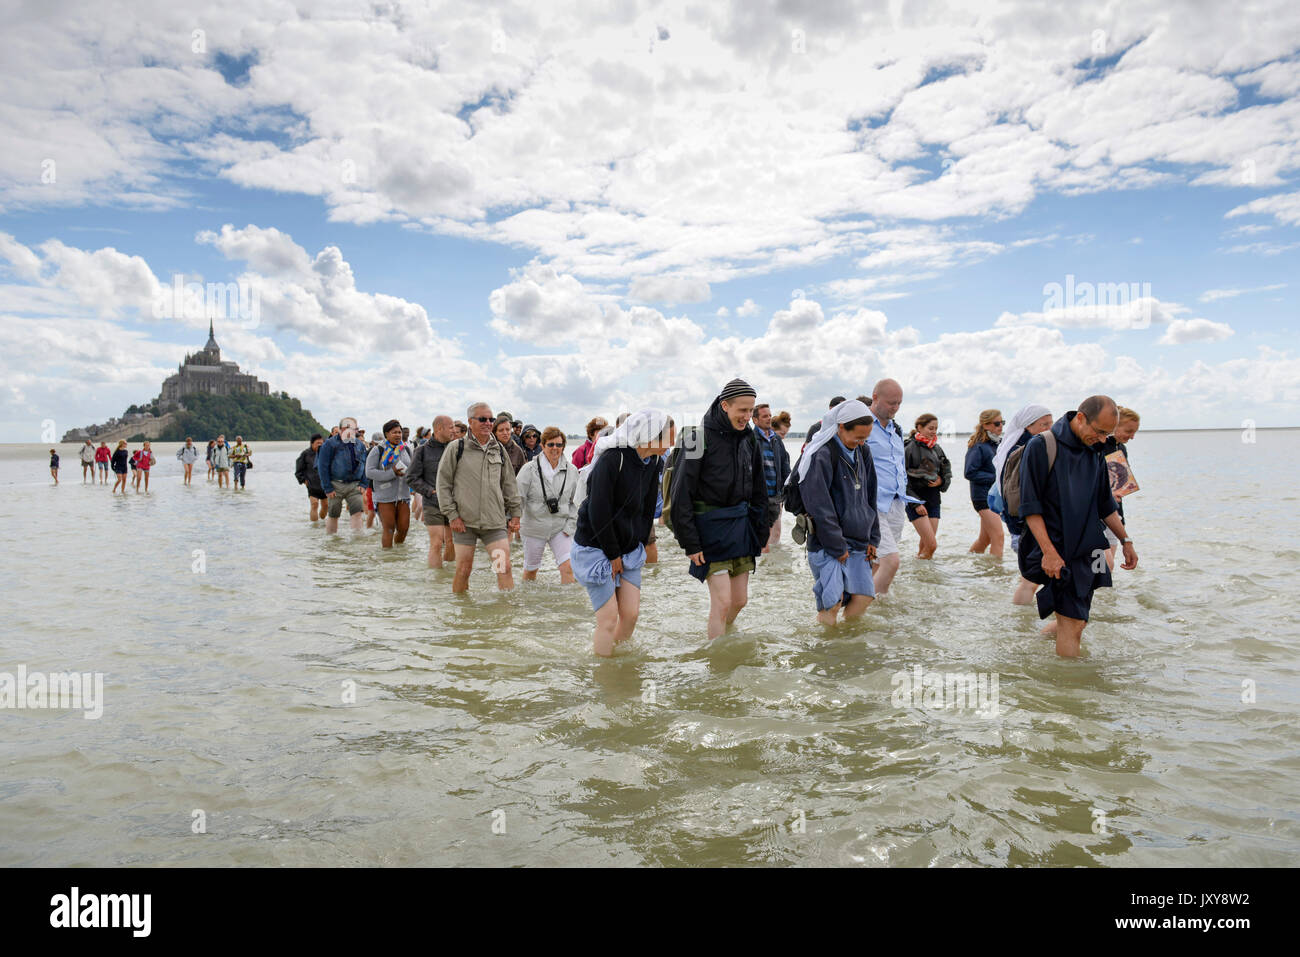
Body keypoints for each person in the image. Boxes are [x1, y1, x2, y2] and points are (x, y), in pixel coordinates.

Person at [1018, 396, 1138, 657]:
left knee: (1079, 620)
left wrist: (1126, 541)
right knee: (1072, 623)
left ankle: (1030, 652)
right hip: (1057, 549)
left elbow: (1105, 504)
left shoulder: (1095, 449)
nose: (1104, 439)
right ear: (1081, 418)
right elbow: (1030, 508)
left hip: (1089, 549)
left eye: (1108, 433)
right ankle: (1068, 690)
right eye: (1100, 431)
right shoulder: (1042, 446)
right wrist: (1049, 553)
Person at [668, 378, 771, 641]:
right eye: (742, 410)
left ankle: (723, 636)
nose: (747, 417)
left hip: (741, 528)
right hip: (708, 530)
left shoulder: (751, 439)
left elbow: (760, 490)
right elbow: (680, 495)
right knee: (722, 602)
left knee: (740, 601)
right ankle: (716, 666)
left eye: (751, 411)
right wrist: (690, 543)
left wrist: (761, 533)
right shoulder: (693, 437)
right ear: (725, 405)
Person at [571, 410, 675, 656]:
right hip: (596, 546)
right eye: (668, 438)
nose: (671, 444)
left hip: (627, 547)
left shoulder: (655, 462)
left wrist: (635, 545)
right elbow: (598, 511)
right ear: (649, 437)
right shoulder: (612, 459)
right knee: (607, 619)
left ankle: (617, 666)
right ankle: (603, 675)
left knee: (630, 615)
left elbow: (647, 508)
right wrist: (613, 554)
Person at [797, 399, 879, 625]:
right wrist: (836, 545)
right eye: (857, 437)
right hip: (828, 544)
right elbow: (819, 505)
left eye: (865, 438)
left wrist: (874, 538)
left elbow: (871, 497)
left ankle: (848, 649)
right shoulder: (822, 454)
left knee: (863, 597)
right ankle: (827, 653)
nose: (861, 442)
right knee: (832, 602)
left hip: (860, 541)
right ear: (841, 427)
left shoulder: (863, 452)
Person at [436, 401, 522, 593]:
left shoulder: (498, 449)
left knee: (504, 568)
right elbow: (443, 484)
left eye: (491, 419)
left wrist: (516, 514)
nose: (488, 423)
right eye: (482, 419)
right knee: (463, 570)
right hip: (464, 523)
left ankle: (505, 617)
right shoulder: (456, 448)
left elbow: (509, 484)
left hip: (494, 524)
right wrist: (452, 516)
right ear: (470, 422)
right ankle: (461, 615)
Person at [865, 379, 921, 596]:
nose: (895, 408)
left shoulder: (895, 429)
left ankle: (861, 610)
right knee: (891, 561)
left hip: (897, 503)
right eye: (891, 403)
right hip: (873, 503)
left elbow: (898, 468)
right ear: (875, 397)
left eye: (899, 403)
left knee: (877, 563)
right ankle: (874, 604)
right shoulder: (863, 425)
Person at [993, 404, 1053, 605]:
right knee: (1031, 580)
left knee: (1028, 578)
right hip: (1025, 521)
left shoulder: (1011, 444)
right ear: (1028, 426)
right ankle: (1025, 620)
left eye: (1051, 423)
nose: (1049, 428)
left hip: (1018, 521)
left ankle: (1022, 623)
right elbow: (1020, 490)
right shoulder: (1028, 446)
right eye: (1043, 424)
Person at [516, 426, 579, 582]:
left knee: (569, 568)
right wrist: (514, 519)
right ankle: (527, 604)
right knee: (531, 572)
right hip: (534, 528)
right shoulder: (528, 469)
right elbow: (518, 498)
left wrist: (570, 526)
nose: (555, 448)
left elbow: (577, 503)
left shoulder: (572, 470)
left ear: (564, 447)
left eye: (559, 445)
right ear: (542, 446)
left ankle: (567, 604)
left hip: (560, 528)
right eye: (550, 444)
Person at [409, 415, 455, 567]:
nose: (454, 430)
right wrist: (430, 491)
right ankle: (436, 581)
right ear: (439, 429)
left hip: (455, 504)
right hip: (432, 503)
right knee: (436, 543)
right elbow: (411, 478)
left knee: (452, 542)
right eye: (451, 427)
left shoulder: (457, 449)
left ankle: (448, 580)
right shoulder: (421, 451)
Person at [1097, 407, 1140, 570]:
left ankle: (1099, 595)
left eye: (1134, 432)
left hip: (1115, 514)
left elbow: (1121, 483)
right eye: (1129, 431)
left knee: (1107, 569)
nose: (1132, 436)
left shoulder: (1121, 448)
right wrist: (1108, 494)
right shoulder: (1098, 446)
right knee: (1102, 566)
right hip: (1097, 516)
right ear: (1114, 425)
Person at [904, 413, 951, 559]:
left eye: (936, 428)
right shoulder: (908, 447)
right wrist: (915, 503)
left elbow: (947, 471)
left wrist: (941, 482)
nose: (934, 431)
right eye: (930, 428)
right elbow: (901, 478)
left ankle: (922, 575)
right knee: (932, 545)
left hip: (934, 500)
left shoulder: (937, 448)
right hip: (916, 501)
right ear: (919, 427)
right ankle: (919, 571)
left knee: (925, 545)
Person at [315, 417, 369, 534]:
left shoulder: (360, 444)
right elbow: (322, 467)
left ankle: (357, 542)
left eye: (354, 428)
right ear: (340, 429)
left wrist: (364, 483)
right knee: (333, 514)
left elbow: (365, 465)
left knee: (357, 514)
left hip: (355, 485)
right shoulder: (329, 444)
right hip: (335, 484)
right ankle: (332, 542)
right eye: (347, 428)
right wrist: (327, 487)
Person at [366, 419, 413, 548]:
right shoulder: (378, 450)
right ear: (386, 434)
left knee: (404, 528)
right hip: (384, 496)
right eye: (394, 432)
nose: (398, 435)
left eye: (399, 432)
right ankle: (388, 560)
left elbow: (413, 469)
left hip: (403, 494)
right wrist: (392, 473)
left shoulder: (406, 449)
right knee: (389, 528)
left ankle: (397, 555)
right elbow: (369, 472)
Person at [965, 410, 1005, 558]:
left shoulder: (997, 444)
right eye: (997, 423)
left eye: (1002, 423)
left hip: (993, 496)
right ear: (986, 425)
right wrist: (997, 477)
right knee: (999, 536)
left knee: (985, 539)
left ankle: (969, 565)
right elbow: (969, 472)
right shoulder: (978, 446)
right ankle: (996, 575)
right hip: (982, 497)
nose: (1000, 426)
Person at [753, 403, 791, 550]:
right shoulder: (750, 439)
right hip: (758, 497)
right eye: (764, 416)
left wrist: (787, 490)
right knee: (761, 538)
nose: (768, 418)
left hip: (775, 496)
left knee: (774, 536)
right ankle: (763, 567)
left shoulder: (776, 440)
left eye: (769, 415)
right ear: (755, 420)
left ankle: (772, 567)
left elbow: (785, 466)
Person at [295, 434, 327, 522]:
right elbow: (298, 470)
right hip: (312, 484)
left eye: (321, 443)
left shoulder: (326, 453)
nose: (320, 445)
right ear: (312, 444)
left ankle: (322, 522)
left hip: (324, 484)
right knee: (314, 504)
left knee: (325, 506)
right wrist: (303, 481)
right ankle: (315, 526)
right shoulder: (305, 454)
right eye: (317, 443)